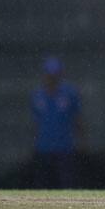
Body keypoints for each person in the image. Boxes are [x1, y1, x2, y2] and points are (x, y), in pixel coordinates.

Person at [31, 56, 82, 188]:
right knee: (42, 183)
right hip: (43, 146)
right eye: (50, 74)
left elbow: (77, 119)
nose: (52, 78)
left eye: (55, 74)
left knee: (66, 182)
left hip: (64, 147)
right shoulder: (37, 95)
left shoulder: (69, 93)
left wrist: (82, 141)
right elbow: (36, 122)